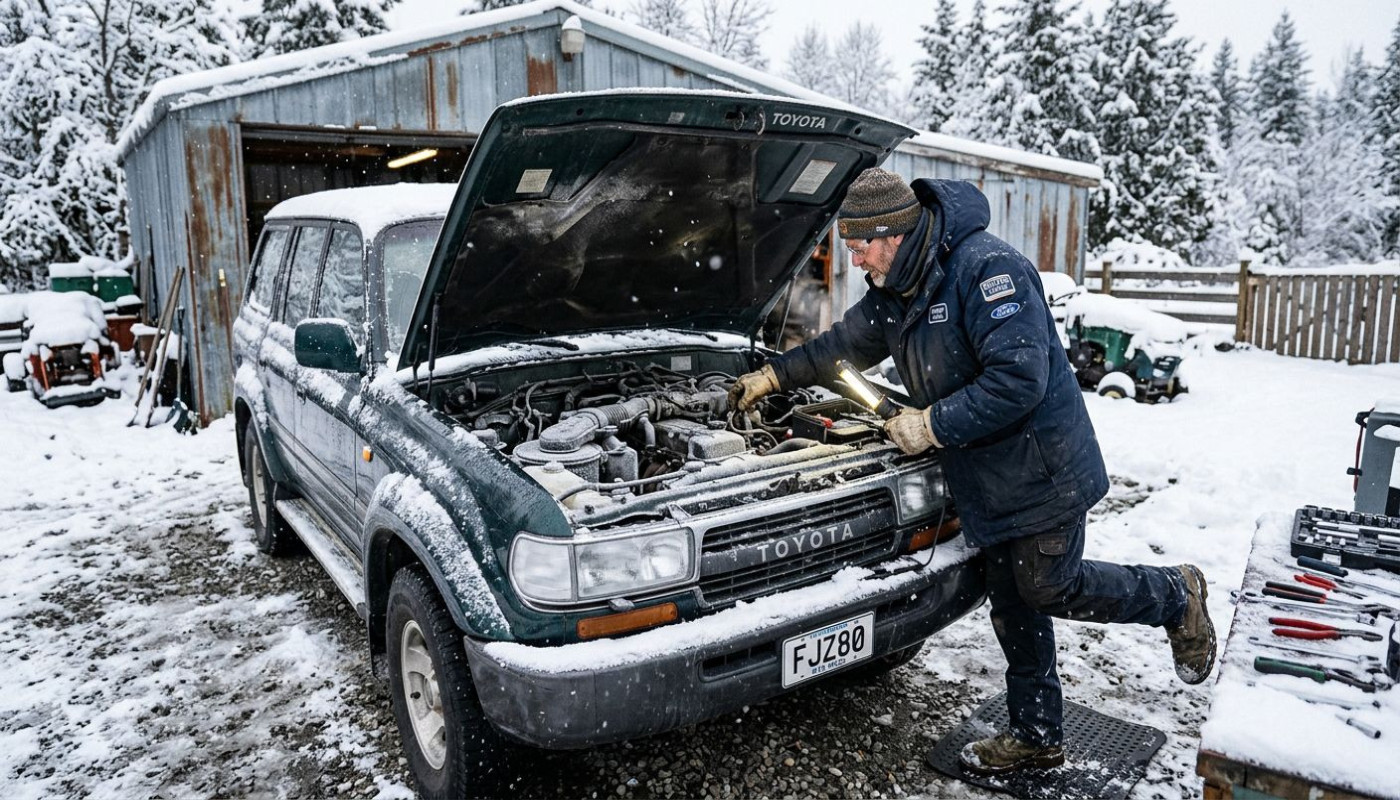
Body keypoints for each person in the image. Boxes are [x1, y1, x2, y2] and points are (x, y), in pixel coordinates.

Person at [728, 168, 1216, 777]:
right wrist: (773, 375)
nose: (853, 258)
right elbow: (841, 346)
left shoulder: (987, 270)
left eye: (859, 244)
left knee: (1049, 586)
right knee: (1012, 602)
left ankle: (1175, 594)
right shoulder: (895, 288)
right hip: (984, 474)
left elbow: (1018, 381)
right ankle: (1037, 735)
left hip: (1041, 468)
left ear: (893, 233)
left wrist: (929, 425)